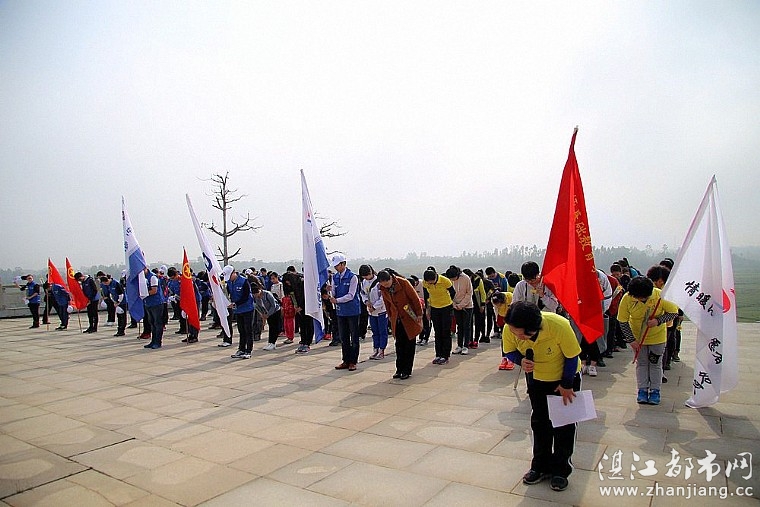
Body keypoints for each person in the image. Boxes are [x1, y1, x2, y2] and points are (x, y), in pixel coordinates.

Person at [502, 301, 582, 492]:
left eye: (522, 334)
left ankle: (561, 470)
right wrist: (520, 360)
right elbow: (509, 351)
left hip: (564, 378)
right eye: (514, 332)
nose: (517, 336)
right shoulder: (510, 329)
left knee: (564, 425)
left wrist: (566, 385)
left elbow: (572, 356)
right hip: (536, 380)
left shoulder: (558, 325)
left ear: (533, 328)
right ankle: (540, 466)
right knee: (540, 423)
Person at [617, 276, 679, 405]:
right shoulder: (627, 298)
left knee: (655, 364)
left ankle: (655, 391)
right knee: (642, 364)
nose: (641, 300)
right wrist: (631, 340)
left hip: (657, 338)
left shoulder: (659, 295)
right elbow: (623, 321)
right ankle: (642, 390)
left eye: (644, 298)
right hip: (638, 338)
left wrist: (658, 321)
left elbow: (673, 312)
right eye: (638, 297)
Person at [378, 269, 423, 379]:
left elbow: (415, 299)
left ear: (391, 278)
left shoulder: (403, 283)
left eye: (387, 284)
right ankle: (399, 369)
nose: (386, 286)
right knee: (399, 345)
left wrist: (419, 314)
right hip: (396, 318)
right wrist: (390, 316)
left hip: (409, 316)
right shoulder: (383, 288)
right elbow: (387, 303)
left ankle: (407, 370)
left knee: (409, 344)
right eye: (383, 284)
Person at [329, 254, 361, 371]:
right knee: (344, 337)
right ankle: (346, 360)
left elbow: (351, 295)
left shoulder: (352, 277)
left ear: (343, 264)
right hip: (340, 312)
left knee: (354, 337)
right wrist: (330, 294)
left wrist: (337, 300)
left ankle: (353, 361)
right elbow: (333, 291)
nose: (336, 267)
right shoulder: (335, 277)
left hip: (352, 311)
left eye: (337, 265)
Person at [423, 269, 455, 365]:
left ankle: (445, 355)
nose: (430, 283)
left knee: (445, 331)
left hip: (446, 308)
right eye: (429, 282)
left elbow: (453, 293)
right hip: (434, 308)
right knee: (437, 332)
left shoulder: (445, 281)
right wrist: (428, 310)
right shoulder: (425, 283)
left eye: (432, 282)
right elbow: (426, 296)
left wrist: (449, 303)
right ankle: (438, 354)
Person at [225, 265, 255, 359]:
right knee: (241, 331)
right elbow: (228, 293)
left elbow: (246, 296)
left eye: (230, 276)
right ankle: (241, 349)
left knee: (248, 330)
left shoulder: (244, 281)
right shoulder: (229, 282)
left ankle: (248, 350)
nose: (229, 278)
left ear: (234, 273)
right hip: (238, 310)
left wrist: (235, 304)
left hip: (247, 309)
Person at [359, 265, 388, 360]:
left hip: (381, 311)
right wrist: (366, 302)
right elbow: (362, 293)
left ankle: (381, 350)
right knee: (375, 332)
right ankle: (375, 349)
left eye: (367, 275)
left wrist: (375, 307)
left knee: (382, 332)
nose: (366, 278)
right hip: (371, 312)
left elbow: (383, 297)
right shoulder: (364, 282)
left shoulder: (379, 282)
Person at [447, 265, 473, 355]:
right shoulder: (449, 280)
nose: (452, 280)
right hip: (455, 306)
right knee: (459, 326)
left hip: (467, 306)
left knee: (466, 326)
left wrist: (462, 305)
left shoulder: (465, 278)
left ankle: (466, 346)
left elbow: (469, 293)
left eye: (453, 278)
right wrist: (454, 304)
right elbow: (448, 293)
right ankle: (459, 345)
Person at [141, 267, 166, 349]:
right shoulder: (142, 278)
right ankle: (153, 340)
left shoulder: (152, 277)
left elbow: (154, 290)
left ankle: (158, 342)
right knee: (151, 323)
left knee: (157, 323)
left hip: (156, 303)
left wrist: (144, 294)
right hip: (148, 303)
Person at [492, 291, 515, 370]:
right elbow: (496, 311)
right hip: (502, 317)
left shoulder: (511, 297)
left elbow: (514, 310)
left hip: (511, 317)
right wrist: (497, 321)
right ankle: (504, 357)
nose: (498, 306)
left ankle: (511, 359)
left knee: (512, 338)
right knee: (504, 338)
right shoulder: (494, 301)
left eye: (499, 304)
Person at [256, 286, 282, 351]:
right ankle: (270, 342)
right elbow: (258, 306)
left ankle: (273, 343)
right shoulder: (256, 298)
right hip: (267, 312)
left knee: (275, 328)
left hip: (275, 311)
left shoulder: (267, 294)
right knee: (271, 328)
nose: (256, 295)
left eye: (256, 293)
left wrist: (268, 314)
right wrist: (263, 314)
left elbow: (273, 305)